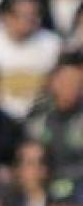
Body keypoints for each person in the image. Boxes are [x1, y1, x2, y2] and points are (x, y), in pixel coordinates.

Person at [0, 0, 61, 120]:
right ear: (5, 16)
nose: (30, 20)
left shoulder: (52, 44)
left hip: (42, 118)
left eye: (34, 15)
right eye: (23, 15)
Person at [23, 53, 83, 182]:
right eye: (65, 81)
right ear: (53, 82)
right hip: (44, 180)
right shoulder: (39, 112)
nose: (70, 87)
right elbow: (28, 146)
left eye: (76, 82)